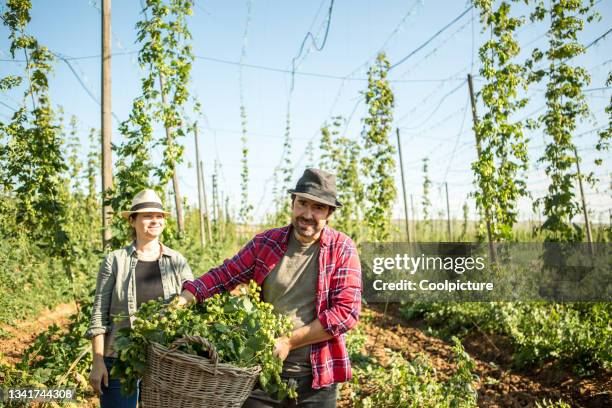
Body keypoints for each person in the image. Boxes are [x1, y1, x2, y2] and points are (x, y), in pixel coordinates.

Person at [177, 168, 362, 408]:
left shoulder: (341, 249)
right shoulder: (267, 243)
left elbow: (345, 312)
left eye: (317, 207)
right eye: (302, 203)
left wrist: (288, 341)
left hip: (316, 380)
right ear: (293, 203)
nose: (307, 214)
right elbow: (225, 275)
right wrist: (187, 296)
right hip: (262, 372)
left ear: (329, 213)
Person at [86, 189, 194, 408]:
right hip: (120, 358)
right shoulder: (115, 261)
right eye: (147, 215)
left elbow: (193, 297)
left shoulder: (177, 261)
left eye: (159, 215)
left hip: (166, 358)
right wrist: (97, 361)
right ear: (132, 221)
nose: (154, 220)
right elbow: (99, 313)